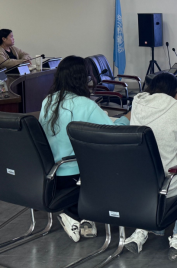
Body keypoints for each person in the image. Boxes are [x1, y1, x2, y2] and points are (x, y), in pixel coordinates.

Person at [39, 56, 131, 243]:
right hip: (74, 175)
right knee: (118, 163)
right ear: (83, 78)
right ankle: (73, 214)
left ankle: (81, 215)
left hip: (51, 173)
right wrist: (127, 118)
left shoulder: (48, 101)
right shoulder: (86, 105)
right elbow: (112, 132)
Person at [124, 73, 177, 261]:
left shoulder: (138, 103)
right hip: (168, 184)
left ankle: (144, 228)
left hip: (139, 183)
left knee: (158, 185)